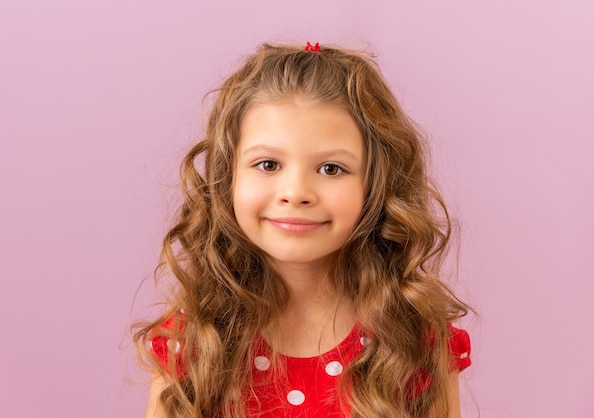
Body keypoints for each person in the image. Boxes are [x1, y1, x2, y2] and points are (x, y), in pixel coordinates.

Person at [134, 41, 471, 418]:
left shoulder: (415, 341)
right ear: (227, 176)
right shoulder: (193, 338)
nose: (296, 193)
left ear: (376, 184)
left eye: (331, 169)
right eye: (267, 164)